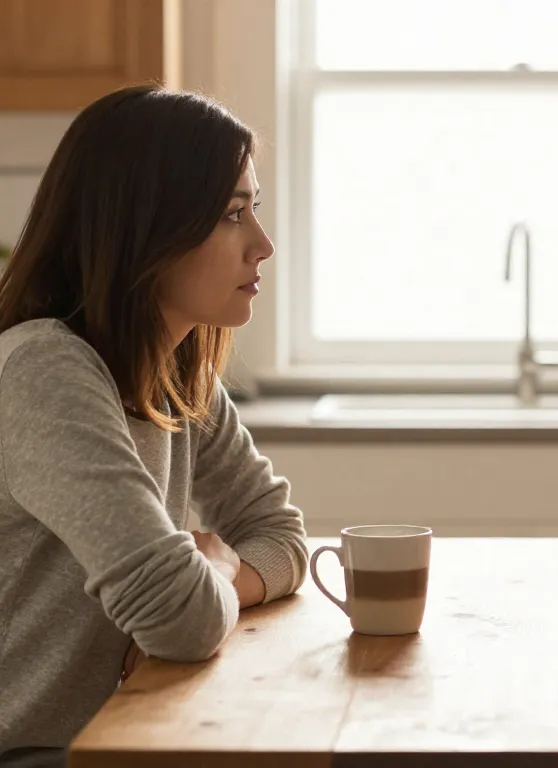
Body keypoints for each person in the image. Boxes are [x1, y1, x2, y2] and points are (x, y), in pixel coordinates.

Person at [0, 85, 308, 764]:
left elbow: (284, 538)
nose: (263, 244)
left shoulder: (176, 372)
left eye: (253, 208)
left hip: (123, 738)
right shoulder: (44, 372)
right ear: (147, 229)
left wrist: (214, 573)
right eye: (233, 215)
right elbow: (181, 618)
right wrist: (217, 564)